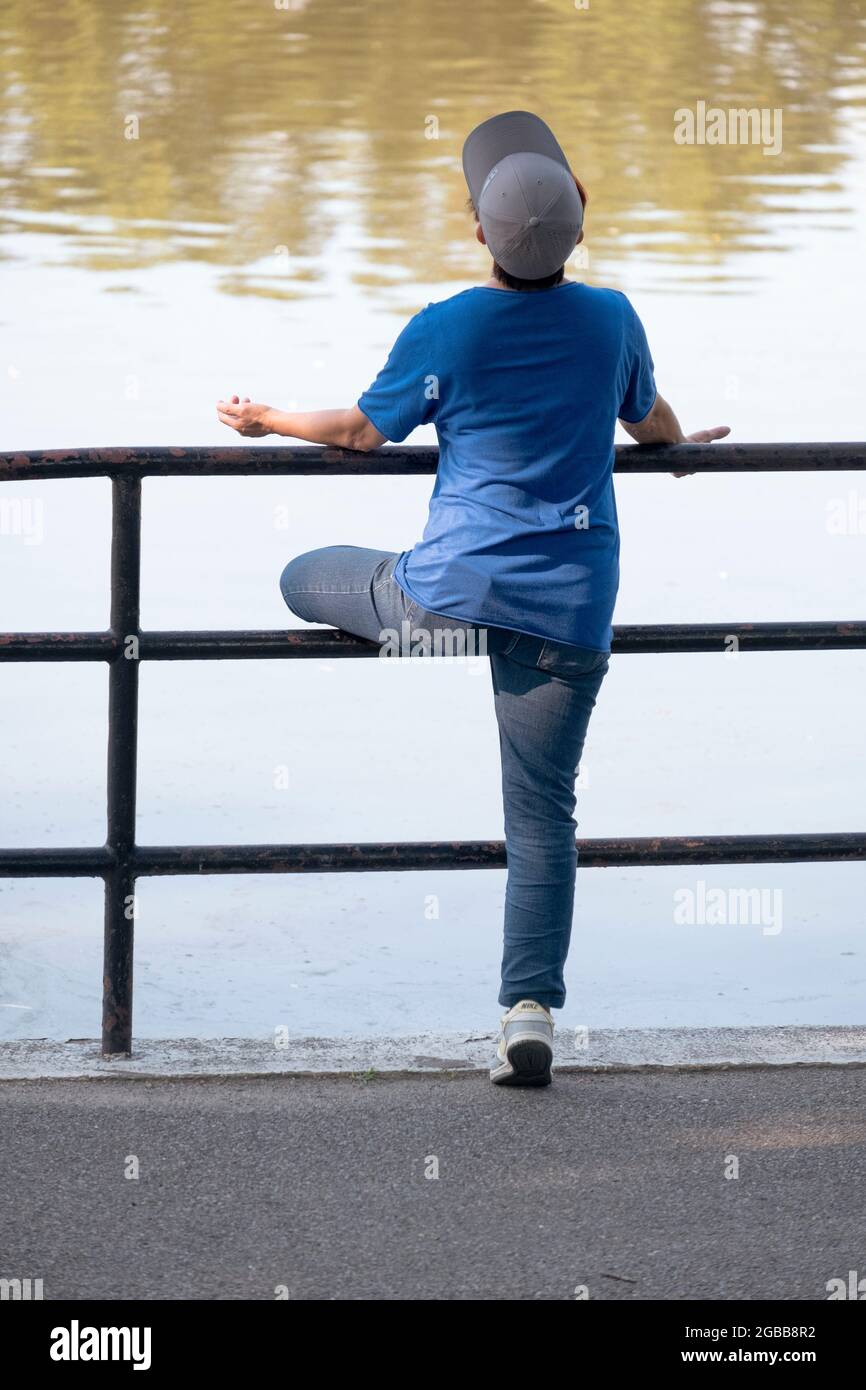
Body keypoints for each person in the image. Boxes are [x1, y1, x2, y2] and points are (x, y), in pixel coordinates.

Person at [217, 111, 729, 1087]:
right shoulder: (612, 318)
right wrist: (672, 444)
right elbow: (649, 418)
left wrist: (268, 417)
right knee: (541, 814)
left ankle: (435, 641)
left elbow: (365, 433)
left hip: (440, 601)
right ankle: (525, 1012)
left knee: (304, 579)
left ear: (476, 232)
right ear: (579, 217)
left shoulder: (446, 324)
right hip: (565, 608)